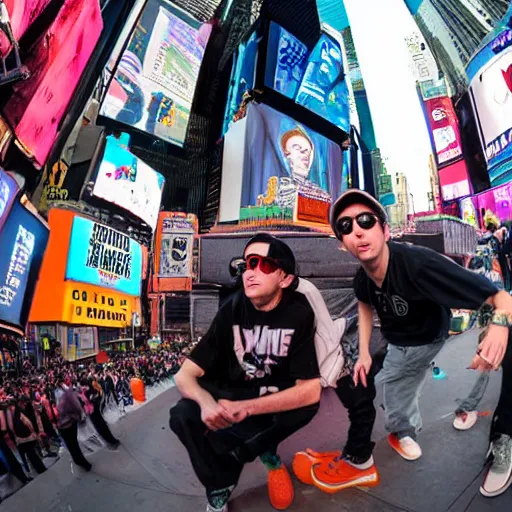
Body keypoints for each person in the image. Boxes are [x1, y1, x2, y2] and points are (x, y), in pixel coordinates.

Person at [327, 188, 512, 498]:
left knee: (394, 389)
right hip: (398, 341)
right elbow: (363, 304)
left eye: (365, 221)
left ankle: (404, 432)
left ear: (385, 230)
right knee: (388, 385)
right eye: (346, 227)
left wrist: (500, 322)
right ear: (343, 244)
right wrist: (363, 354)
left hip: (426, 340)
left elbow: (500, 297)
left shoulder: (417, 264)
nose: (357, 230)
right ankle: (436, 414)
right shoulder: (362, 277)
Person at [169, 233, 321, 512]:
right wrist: (205, 404)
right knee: (180, 415)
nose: (251, 272)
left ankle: (266, 455)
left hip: (270, 396)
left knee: (305, 407)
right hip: (232, 389)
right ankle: (218, 484)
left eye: (263, 265)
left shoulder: (299, 312)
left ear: (285, 279)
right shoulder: (232, 309)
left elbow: (311, 389)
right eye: (247, 264)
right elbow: (183, 375)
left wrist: (247, 408)